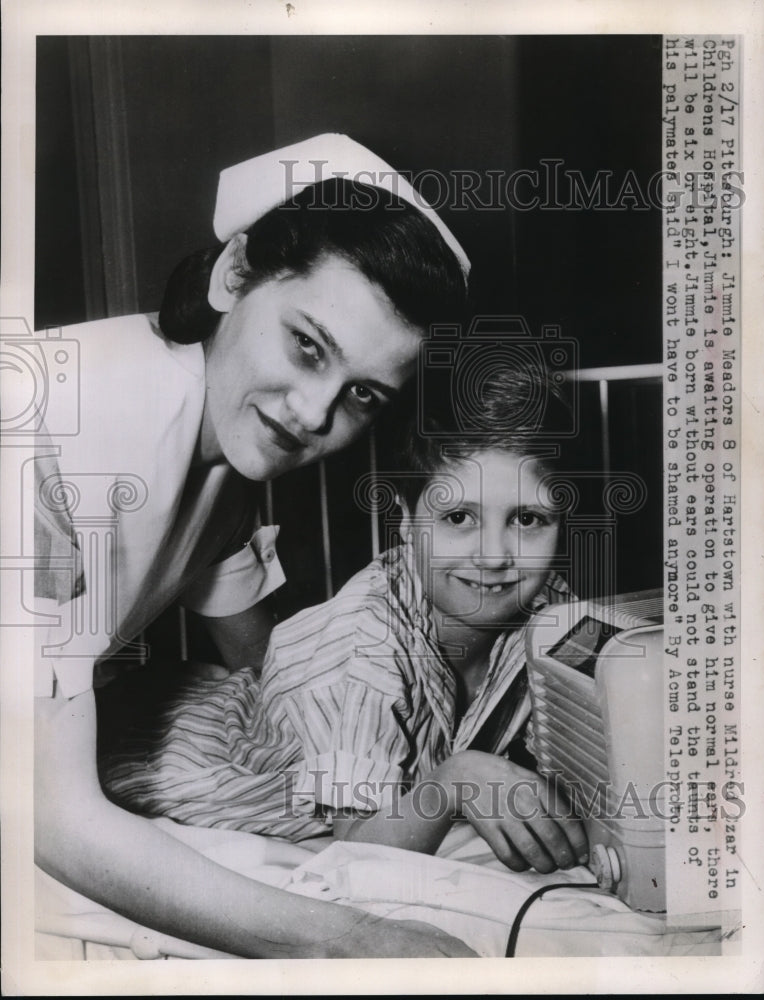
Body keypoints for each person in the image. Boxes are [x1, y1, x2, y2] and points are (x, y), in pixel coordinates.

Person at [33, 134, 476, 958]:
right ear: (233, 273)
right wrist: (347, 939)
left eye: (362, 395)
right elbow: (51, 818)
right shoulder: (44, 441)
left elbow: (265, 669)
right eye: (307, 346)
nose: (313, 414)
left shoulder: (224, 445)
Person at [101, 360, 589, 875]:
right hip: (166, 762)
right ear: (405, 521)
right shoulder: (362, 647)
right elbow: (356, 856)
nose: (493, 556)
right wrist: (456, 781)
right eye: (458, 518)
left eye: (529, 520)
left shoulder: (553, 611)